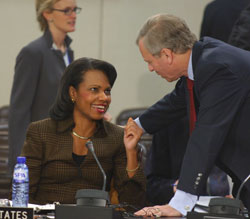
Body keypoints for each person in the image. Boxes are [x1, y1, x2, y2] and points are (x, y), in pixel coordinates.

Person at [129, 13, 250, 217]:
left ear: (167, 54)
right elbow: (178, 99)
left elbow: (206, 136)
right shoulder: (205, 58)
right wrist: (139, 126)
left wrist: (180, 202)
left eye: (150, 61)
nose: (150, 69)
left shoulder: (218, 68)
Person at [20, 57, 146, 207]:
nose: (104, 98)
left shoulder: (116, 137)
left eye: (107, 91)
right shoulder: (41, 132)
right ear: (73, 93)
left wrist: (131, 152)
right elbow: (22, 196)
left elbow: (133, 203)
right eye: (94, 89)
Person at [8, 0, 80, 173]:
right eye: (66, 10)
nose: (73, 15)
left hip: (62, 151)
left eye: (75, 10)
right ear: (47, 14)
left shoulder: (68, 53)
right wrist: (20, 165)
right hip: (39, 155)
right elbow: (19, 113)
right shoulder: (32, 53)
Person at [146, 115, 230, 205]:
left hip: (230, 208)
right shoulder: (169, 124)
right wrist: (175, 187)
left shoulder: (234, 119)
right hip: (185, 208)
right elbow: (151, 187)